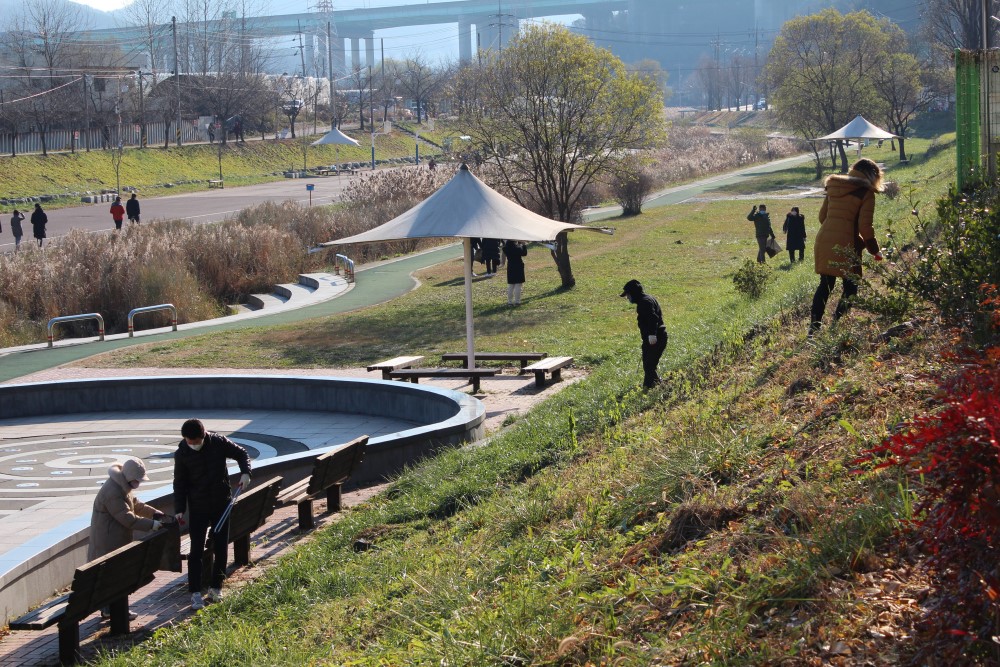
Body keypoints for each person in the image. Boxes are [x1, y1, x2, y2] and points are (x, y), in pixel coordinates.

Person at [173, 418, 252, 610]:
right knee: (196, 550)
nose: (193, 445)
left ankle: (216, 586)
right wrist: (179, 509)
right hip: (198, 506)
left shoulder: (218, 442)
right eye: (189, 442)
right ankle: (195, 592)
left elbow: (242, 454)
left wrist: (246, 473)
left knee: (221, 545)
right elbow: (179, 483)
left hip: (221, 503)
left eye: (195, 442)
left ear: (203, 435)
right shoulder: (182, 453)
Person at [809, 157, 884, 336]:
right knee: (851, 286)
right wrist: (874, 249)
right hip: (847, 243)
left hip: (824, 238)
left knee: (825, 285)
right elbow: (865, 227)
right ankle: (837, 326)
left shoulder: (834, 186)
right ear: (872, 176)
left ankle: (813, 329)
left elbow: (822, 217)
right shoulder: (866, 193)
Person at [89, 457, 168, 620]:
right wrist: (152, 525)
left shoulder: (122, 486)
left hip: (115, 539)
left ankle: (111, 609)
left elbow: (136, 504)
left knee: (115, 575)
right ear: (129, 478)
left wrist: (153, 512)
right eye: (137, 480)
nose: (138, 484)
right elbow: (127, 518)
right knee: (113, 576)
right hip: (108, 542)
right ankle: (114, 610)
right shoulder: (112, 492)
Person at [620, 279, 668, 389]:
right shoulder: (648, 298)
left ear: (633, 293)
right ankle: (656, 385)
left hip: (656, 338)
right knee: (649, 365)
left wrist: (652, 335)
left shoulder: (644, 303)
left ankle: (648, 387)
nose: (627, 298)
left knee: (649, 365)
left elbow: (653, 318)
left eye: (628, 295)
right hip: (657, 337)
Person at [503, 240, 528, 306]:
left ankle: (510, 302)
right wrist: (524, 245)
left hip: (510, 267)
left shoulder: (505, 249)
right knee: (518, 285)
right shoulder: (517, 248)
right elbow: (524, 253)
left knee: (511, 285)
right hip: (518, 266)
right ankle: (517, 301)